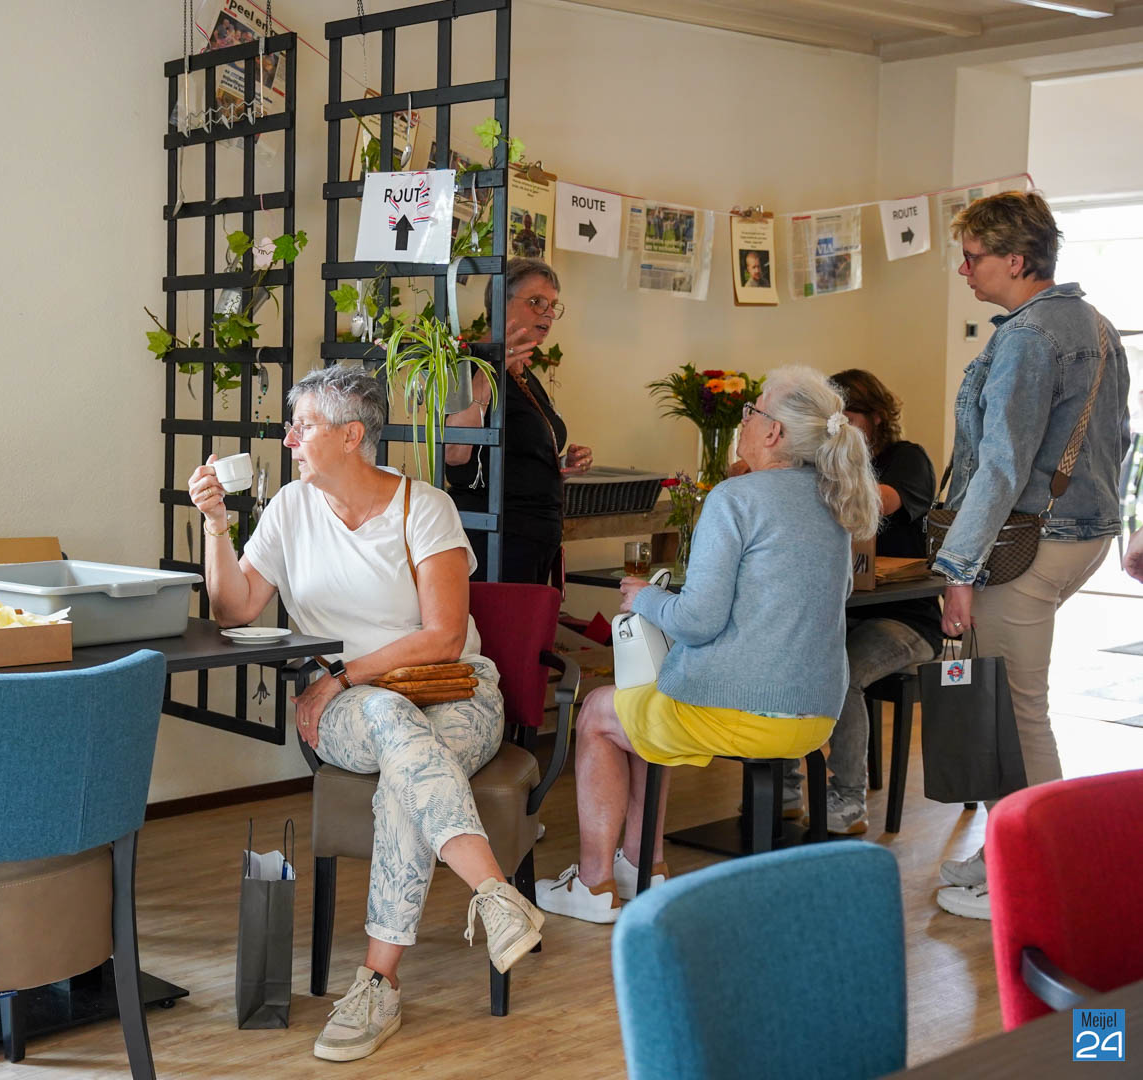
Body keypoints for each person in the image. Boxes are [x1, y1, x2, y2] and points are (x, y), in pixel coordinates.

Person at [188, 365, 543, 1063]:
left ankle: (378, 985)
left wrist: (342, 675)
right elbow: (233, 609)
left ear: (352, 436)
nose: (289, 439)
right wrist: (215, 527)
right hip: (352, 709)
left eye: (304, 426)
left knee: (403, 778)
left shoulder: (425, 508)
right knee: (387, 718)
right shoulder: (290, 508)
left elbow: (445, 636)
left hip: (454, 693)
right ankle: (494, 895)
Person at [535, 366, 880, 923]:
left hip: (747, 712)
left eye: (752, 411)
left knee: (599, 712)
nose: (744, 420)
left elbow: (697, 621)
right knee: (643, 708)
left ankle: (593, 884)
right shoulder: (834, 500)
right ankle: (643, 864)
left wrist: (645, 597)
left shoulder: (735, 497)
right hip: (815, 717)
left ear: (773, 433)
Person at [931, 190, 1130, 921]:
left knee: (1017, 715)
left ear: (1016, 260)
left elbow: (1002, 466)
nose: (964, 270)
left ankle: (1039, 879)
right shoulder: (1096, 324)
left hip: (1026, 545)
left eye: (973, 256)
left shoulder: (1028, 336)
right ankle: (1004, 853)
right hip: (1082, 535)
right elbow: (1121, 440)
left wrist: (959, 568)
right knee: (1010, 707)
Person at [807, 369, 942, 834]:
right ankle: (783, 789)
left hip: (908, 618)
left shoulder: (907, 459)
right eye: (833, 418)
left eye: (849, 416)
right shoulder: (824, 462)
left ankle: (848, 798)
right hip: (844, 613)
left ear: (877, 417)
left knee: (841, 673)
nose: (839, 426)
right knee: (789, 657)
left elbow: (877, 503)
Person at [444, 257, 592, 584]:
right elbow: (454, 454)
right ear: (500, 301)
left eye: (553, 305)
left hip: (533, 539)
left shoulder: (524, 370)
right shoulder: (470, 363)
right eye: (536, 302)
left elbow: (516, 453)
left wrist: (559, 464)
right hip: (494, 539)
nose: (548, 314)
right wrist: (491, 372)